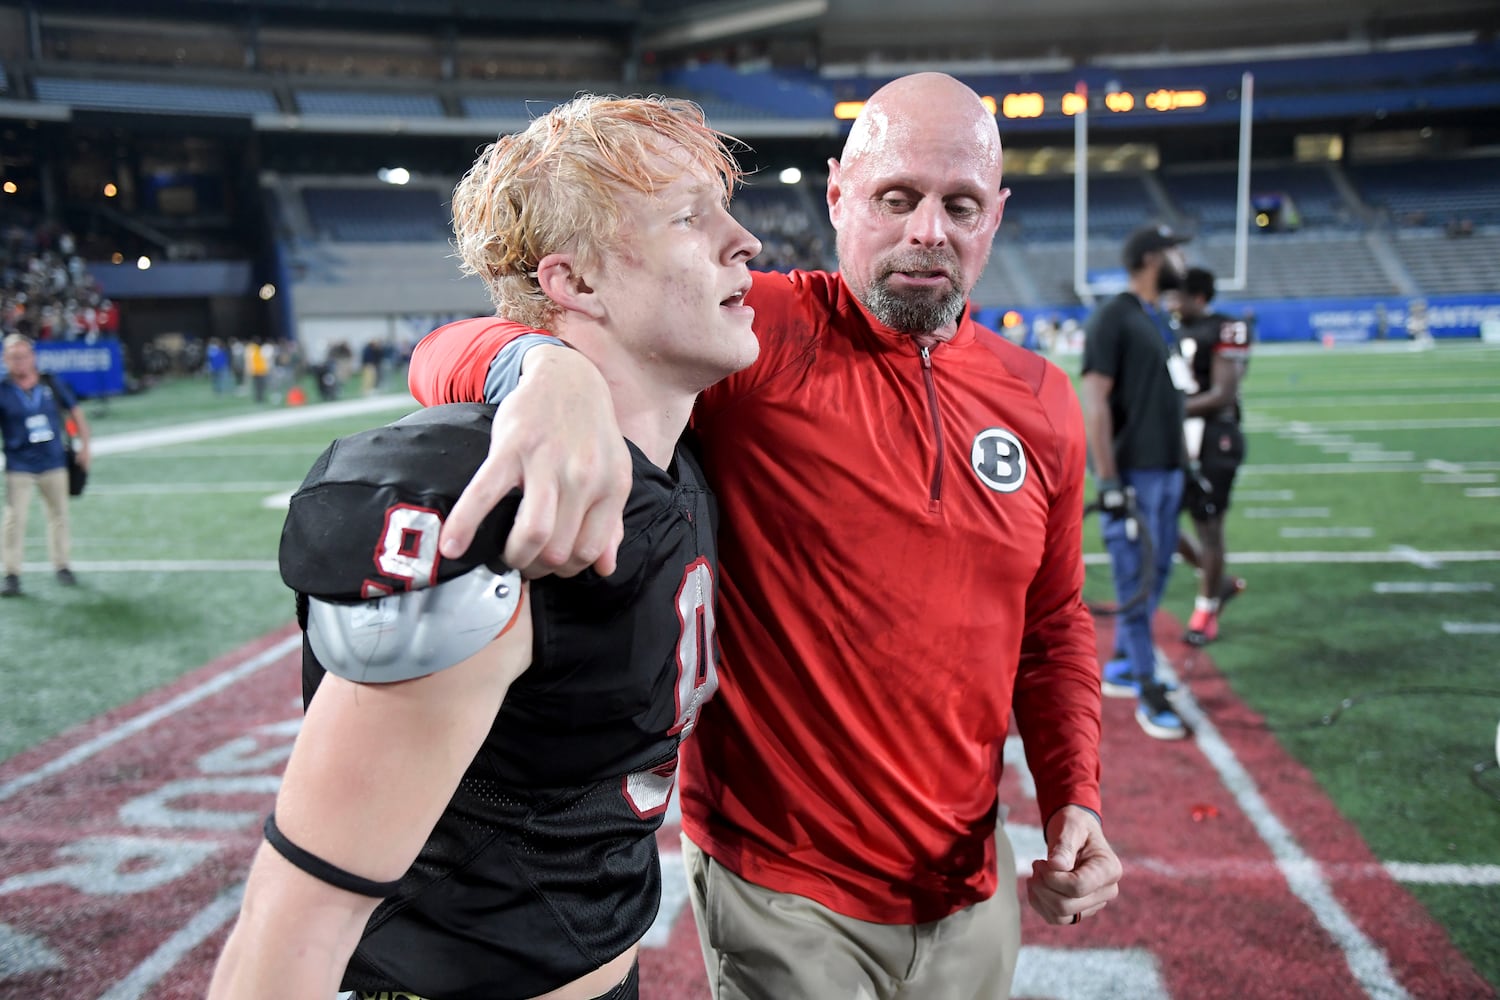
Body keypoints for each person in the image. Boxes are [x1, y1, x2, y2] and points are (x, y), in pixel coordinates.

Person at [408, 72, 1121, 1000]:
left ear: (996, 213)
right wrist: (536, 366)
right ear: (838, 195)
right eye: (895, 198)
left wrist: (1075, 796)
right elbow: (447, 349)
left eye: (960, 204)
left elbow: (1053, 622)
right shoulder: (758, 334)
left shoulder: (1041, 399)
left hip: (971, 883)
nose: (927, 232)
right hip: (783, 885)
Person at [206, 93, 762, 1000]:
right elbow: (298, 913)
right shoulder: (479, 512)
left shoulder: (679, 463)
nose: (746, 243)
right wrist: (532, 362)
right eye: (689, 217)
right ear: (574, 283)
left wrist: (529, 359)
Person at [1080, 224, 1193, 741]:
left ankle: (1127, 662)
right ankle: (1148, 689)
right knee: (1136, 581)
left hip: (1168, 469)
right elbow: (1096, 400)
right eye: (1175, 250)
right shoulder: (1114, 316)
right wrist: (1108, 481)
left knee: (1159, 574)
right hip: (1136, 472)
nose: (1182, 260)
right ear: (1152, 258)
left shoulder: (1155, 317)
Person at [1173, 266, 1250, 646]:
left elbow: (1222, 392)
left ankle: (1206, 608)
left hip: (1215, 437)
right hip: (1181, 437)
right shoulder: (1170, 328)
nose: (1172, 301)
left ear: (1199, 298)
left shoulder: (1225, 328)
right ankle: (1217, 581)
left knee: (1209, 526)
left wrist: (1167, 411)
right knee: (1159, 521)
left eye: (1179, 295)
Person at [1, 333, 90, 597]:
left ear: (33, 357)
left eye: (24, 356)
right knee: (14, 520)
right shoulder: (3, 390)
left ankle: (62, 565)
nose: (20, 362)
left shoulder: (51, 383)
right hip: (20, 465)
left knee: (59, 516)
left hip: (54, 460)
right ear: (6, 360)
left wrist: (84, 444)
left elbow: (74, 413)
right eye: (14, 357)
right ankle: (12, 573)